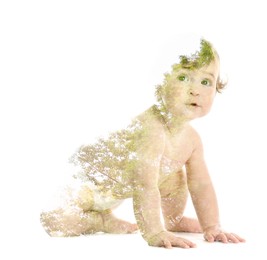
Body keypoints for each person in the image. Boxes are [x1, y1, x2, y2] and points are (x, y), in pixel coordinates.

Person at [40, 38, 245, 248]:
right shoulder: (151, 130)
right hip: (90, 185)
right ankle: (98, 219)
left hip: (125, 185)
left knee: (176, 177)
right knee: (55, 221)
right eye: (183, 77)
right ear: (160, 83)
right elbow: (144, 186)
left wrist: (212, 226)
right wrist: (154, 232)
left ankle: (174, 219)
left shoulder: (192, 139)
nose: (196, 90)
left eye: (206, 81)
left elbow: (201, 184)